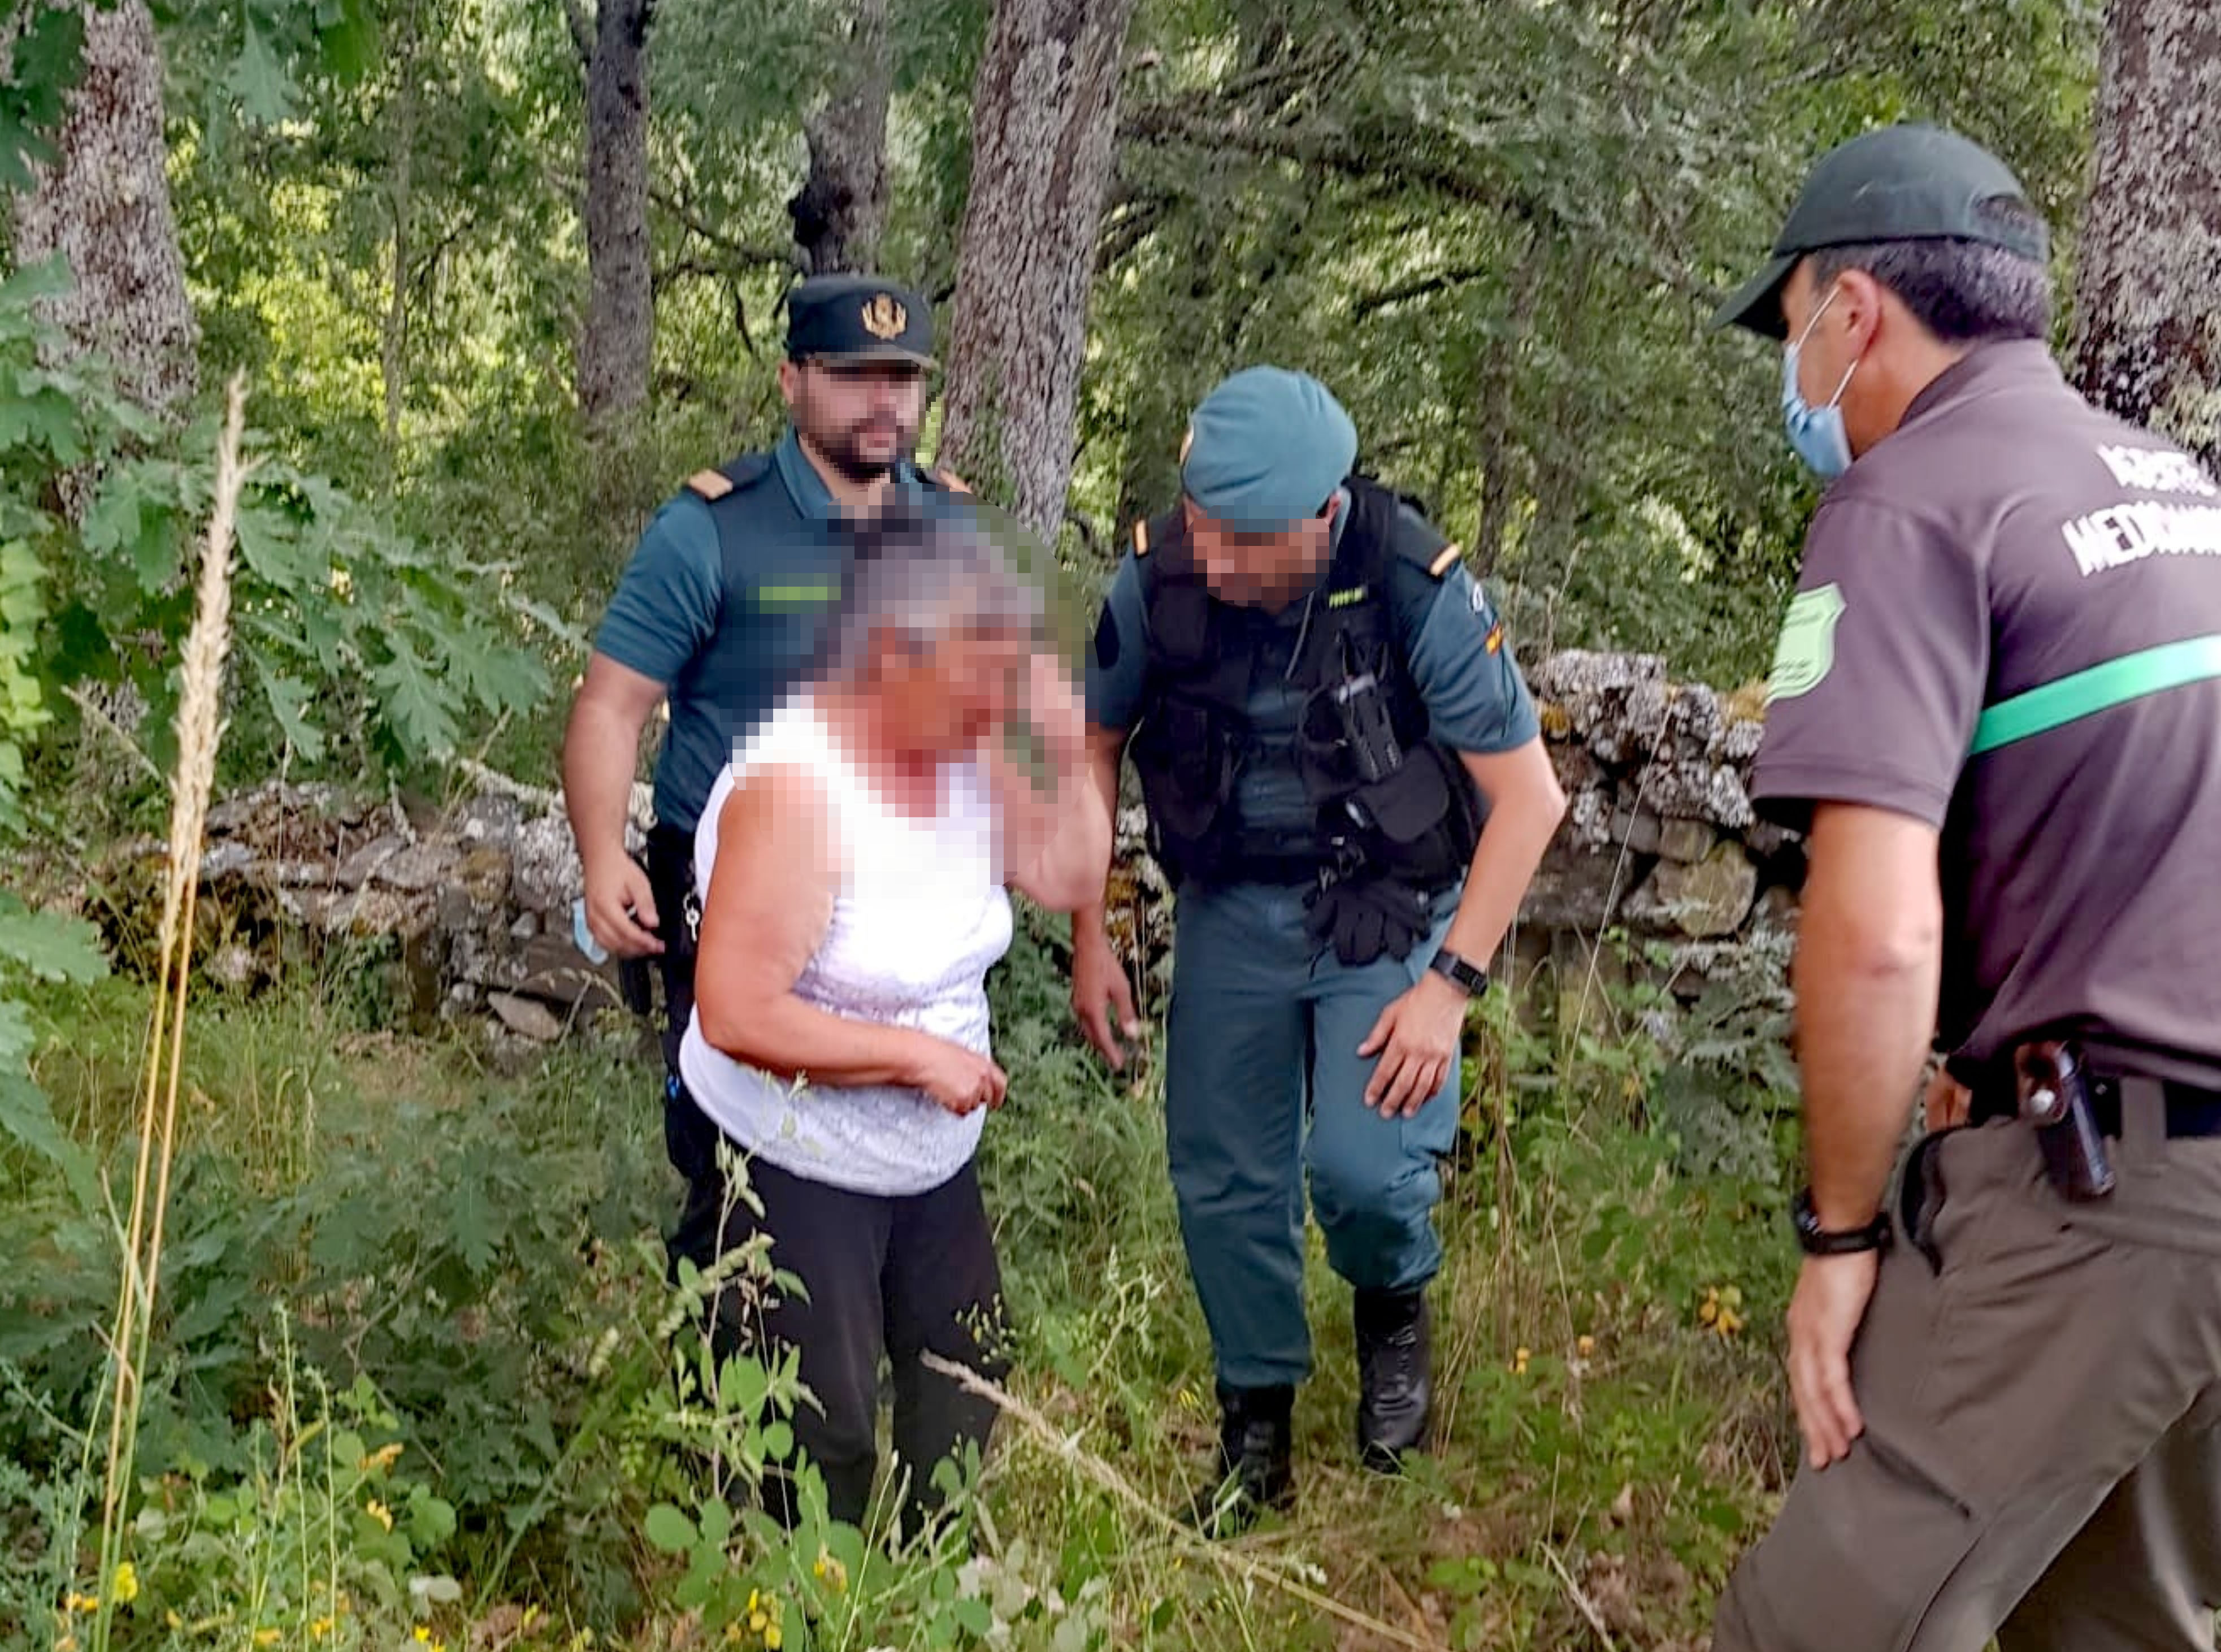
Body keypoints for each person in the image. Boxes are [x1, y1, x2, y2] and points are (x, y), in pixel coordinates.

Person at [1710, 124, 2221, 1651]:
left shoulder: (1908, 500)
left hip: (2105, 1197)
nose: (1791, 366)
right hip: (2173, 1176)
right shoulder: (2171, 486)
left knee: (1808, 1627)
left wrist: (1839, 1236)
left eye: (1790, 318)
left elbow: (1872, 933)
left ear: (1853, 310)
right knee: (2118, 1623)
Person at [1069, 366, 1566, 1524]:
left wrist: (1449, 990)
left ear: (1322, 512)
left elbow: (1528, 798)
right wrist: (1092, 932)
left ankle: (1393, 1312)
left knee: (1360, 1168)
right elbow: (1090, 745)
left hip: (1382, 910)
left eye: (1249, 542)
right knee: (1224, 1176)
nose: (1222, 562)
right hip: (1232, 908)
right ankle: (1257, 1428)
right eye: (1206, 529)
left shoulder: (1409, 578)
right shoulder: (1160, 577)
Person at [671, 504, 1110, 1534]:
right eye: (974, 676)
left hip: (930, 1157)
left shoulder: (963, 744)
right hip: (795, 1154)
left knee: (968, 1365)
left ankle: (923, 1569)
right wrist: (911, 1056)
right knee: (822, 1417)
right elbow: (734, 1008)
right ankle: (811, 1590)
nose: (989, 705)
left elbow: (1069, 869)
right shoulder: (797, 791)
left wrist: (1054, 727)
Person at [562, 274, 969, 1190]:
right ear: (791, 381)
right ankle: (726, 1318)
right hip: (733, 885)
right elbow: (610, 706)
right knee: (732, 1154)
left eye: (903, 380)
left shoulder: (950, 523)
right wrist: (600, 855)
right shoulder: (712, 529)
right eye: (853, 376)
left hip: (892, 898)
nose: (884, 403)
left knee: (895, 1143)